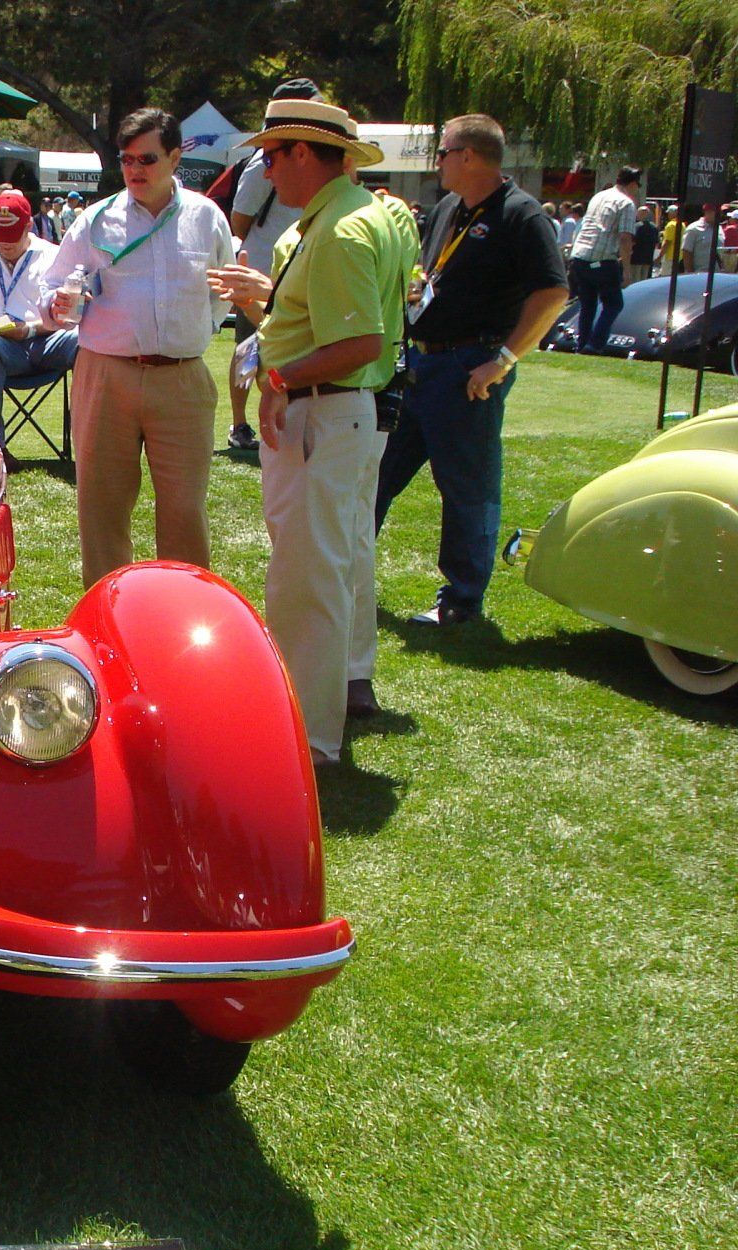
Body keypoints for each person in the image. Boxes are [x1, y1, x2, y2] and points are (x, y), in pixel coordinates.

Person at [210, 96, 413, 767]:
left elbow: (358, 339)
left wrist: (277, 379)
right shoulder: (353, 218)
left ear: (304, 153)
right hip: (339, 412)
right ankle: (334, 700)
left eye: (272, 155)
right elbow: (335, 317)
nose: (265, 172)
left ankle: (309, 736)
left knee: (307, 576)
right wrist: (269, 302)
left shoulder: (340, 230)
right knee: (336, 559)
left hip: (325, 411)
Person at [368, 113, 566, 650]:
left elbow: (552, 293)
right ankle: (350, 571)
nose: (437, 163)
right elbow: (429, 274)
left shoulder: (521, 215)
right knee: (378, 468)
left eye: (443, 153)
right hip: (420, 364)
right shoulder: (449, 209)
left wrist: (502, 359)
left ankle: (460, 599)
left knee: (465, 486)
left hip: (469, 368)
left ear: (469, 156)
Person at [40, 108, 235, 585]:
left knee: (184, 512)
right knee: (102, 511)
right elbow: (50, 294)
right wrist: (59, 304)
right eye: (127, 160)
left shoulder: (207, 217)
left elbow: (222, 295)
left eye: (147, 159)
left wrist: (188, 339)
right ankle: (107, 623)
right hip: (106, 375)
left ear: (174, 157)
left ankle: (184, 620)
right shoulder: (94, 220)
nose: (135, 170)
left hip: (182, 378)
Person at [226, 79, 321, 451]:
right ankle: (239, 424)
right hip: (263, 266)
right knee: (248, 348)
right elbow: (240, 217)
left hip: (296, 265)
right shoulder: (262, 160)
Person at [0, 192, 77, 457]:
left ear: (29, 226)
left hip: (47, 340)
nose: (5, 244)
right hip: (1, 349)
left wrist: (30, 328)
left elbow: (72, 314)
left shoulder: (53, 256)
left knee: (82, 338)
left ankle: (88, 441)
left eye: (12, 236)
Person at [566, 166, 641, 353]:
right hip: (602, 258)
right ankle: (595, 343)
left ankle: (582, 343)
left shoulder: (598, 196)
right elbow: (625, 238)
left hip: (580, 256)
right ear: (632, 184)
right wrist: (627, 269)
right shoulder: (626, 203)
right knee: (614, 303)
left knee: (587, 304)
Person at [679, 203, 720, 274]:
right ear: (707, 212)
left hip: (718, 275)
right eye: (717, 212)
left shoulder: (720, 229)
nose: (720, 214)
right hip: (699, 275)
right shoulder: (693, 229)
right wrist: (690, 274)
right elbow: (686, 252)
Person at [629, 204, 659, 282]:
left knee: (635, 279)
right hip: (648, 258)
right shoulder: (654, 227)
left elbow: (632, 241)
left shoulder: (636, 226)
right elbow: (656, 242)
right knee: (644, 280)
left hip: (635, 258)